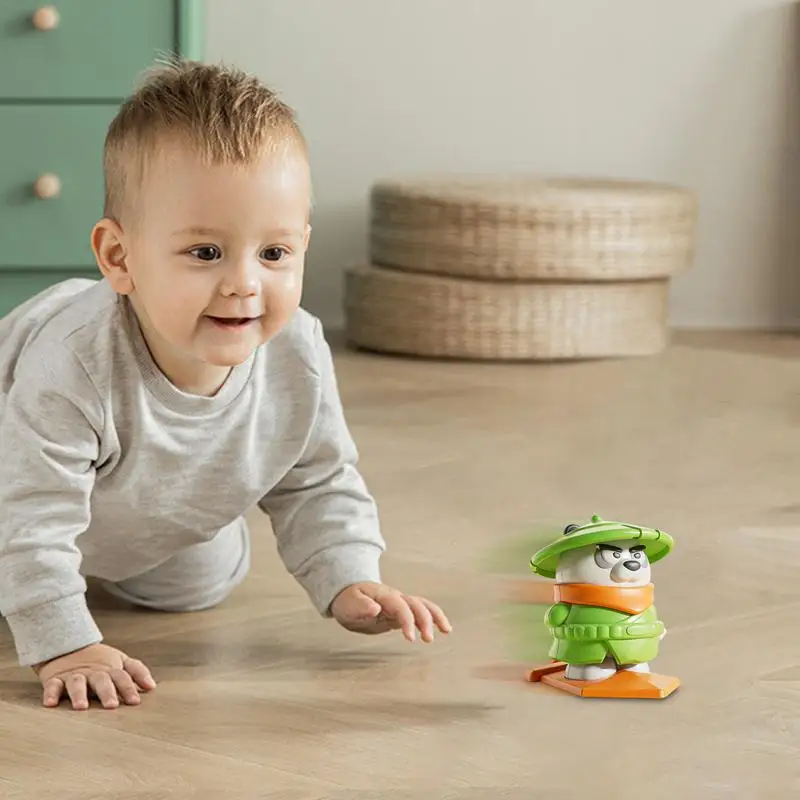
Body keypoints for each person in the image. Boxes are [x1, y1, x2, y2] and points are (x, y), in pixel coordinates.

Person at [0, 59, 451, 711]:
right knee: (21, 558)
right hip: (10, 489)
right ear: (119, 259)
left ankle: (147, 534)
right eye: (206, 253)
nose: (245, 283)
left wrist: (349, 577)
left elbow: (317, 479)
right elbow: (30, 512)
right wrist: (63, 643)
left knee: (201, 580)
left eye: (273, 254)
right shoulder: (71, 363)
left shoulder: (298, 350)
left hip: (147, 509)